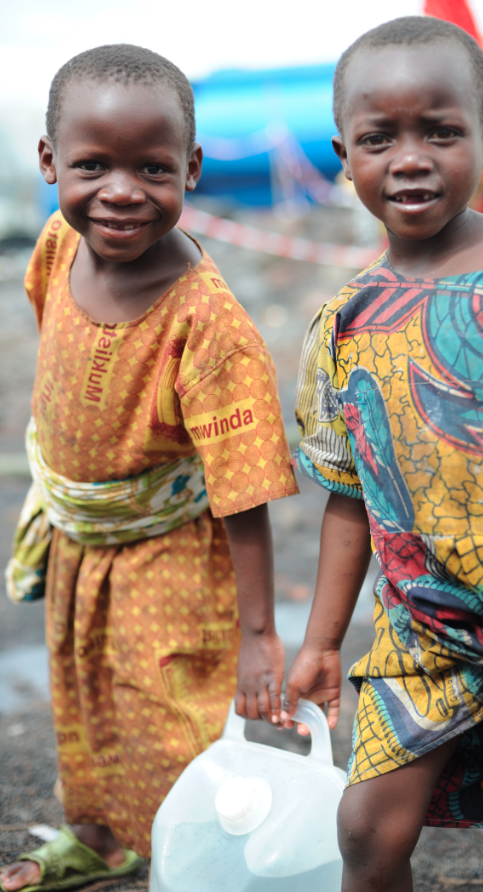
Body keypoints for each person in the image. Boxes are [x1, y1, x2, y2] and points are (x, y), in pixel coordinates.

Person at [281, 16, 483, 892]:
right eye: (379, 139)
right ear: (345, 154)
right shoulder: (345, 315)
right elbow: (349, 493)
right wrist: (321, 643)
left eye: (440, 132)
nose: (409, 159)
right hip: (418, 632)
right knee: (366, 832)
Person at [1, 44, 297, 892]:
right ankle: (98, 839)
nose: (122, 191)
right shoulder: (58, 244)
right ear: (50, 163)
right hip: (76, 539)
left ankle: (203, 864)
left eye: (152, 168)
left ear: (192, 168)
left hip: (167, 550)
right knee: (83, 695)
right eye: (92, 165)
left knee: (173, 717)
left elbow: (243, 489)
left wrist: (256, 635)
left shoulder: (209, 327)